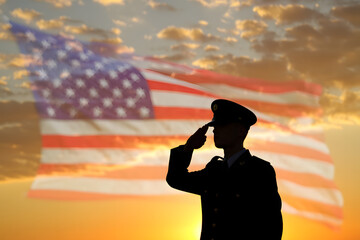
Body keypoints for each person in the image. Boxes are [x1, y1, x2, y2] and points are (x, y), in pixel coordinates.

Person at [166, 99, 283, 240]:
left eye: (222, 125)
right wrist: (188, 147)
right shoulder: (214, 170)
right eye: (215, 125)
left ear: (240, 131)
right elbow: (176, 179)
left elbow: (272, 227)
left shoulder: (259, 171)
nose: (215, 130)